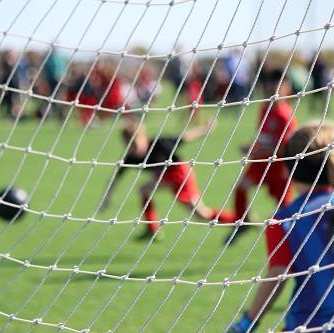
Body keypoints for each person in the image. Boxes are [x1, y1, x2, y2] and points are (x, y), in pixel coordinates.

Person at [228, 121, 334, 332]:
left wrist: (248, 321)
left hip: (310, 323)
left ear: (288, 168)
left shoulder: (285, 220)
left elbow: (278, 276)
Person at [99, 117, 235, 240]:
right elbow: (115, 179)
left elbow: (184, 137)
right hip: (166, 177)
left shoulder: (159, 143)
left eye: (135, 143)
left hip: (181, 173)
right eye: (129, 146)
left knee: (201, 213)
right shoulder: (131, 158)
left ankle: (239, 221)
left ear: (143, 137)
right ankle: (152, 229)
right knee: (201, 214)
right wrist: (107, 199)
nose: (134, 149)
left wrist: (205, 130)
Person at [223, 68, 297, 244]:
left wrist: (256, 151)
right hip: (260, 162)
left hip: (278, 167)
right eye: (269, 87)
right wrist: (252, 146)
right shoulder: (265, 108)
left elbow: (283, 150)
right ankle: (243, 222)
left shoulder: (285, 116)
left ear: (286, 89)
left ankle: (295, 239)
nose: (271, 90)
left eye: (277, 87)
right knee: (241, 188)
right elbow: (264, 138)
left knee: (285, 210)